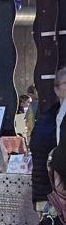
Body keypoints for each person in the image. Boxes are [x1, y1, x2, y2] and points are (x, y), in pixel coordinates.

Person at [29, 68, 66, 208]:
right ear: (57, 90)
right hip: (53, 195)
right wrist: (40, 198)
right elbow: (39, 160)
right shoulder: (46, 123)